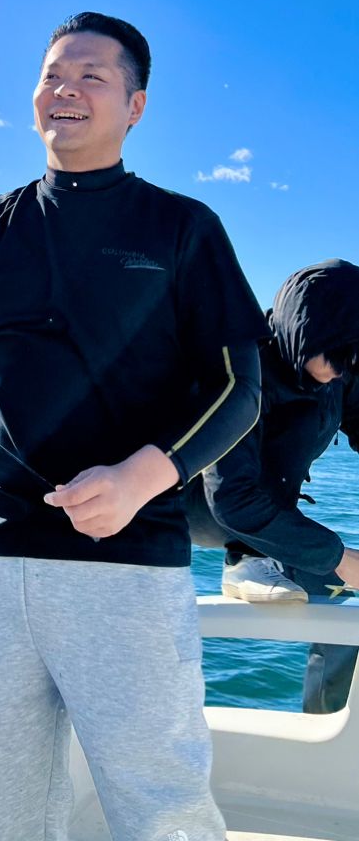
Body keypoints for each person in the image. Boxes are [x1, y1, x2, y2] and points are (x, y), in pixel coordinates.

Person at [0, 11, 268, 841]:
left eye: (91, 76)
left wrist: (136, 480)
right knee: (10, 801)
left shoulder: (183, 228)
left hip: (126, 564)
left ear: (135, 106)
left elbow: (240, 389)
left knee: (160, 800)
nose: (66, 90)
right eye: (52, 73)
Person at [185, 260, 359, 713]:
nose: (344, 372)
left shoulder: (342, 366)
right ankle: (244, 557)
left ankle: (326, 725)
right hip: (194, 505)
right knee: (338, 567)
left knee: (343, 602)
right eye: (338, 358)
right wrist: (339, 557)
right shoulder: (240, 365)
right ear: (306, 334)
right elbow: (230, 496)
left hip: (268, 508)